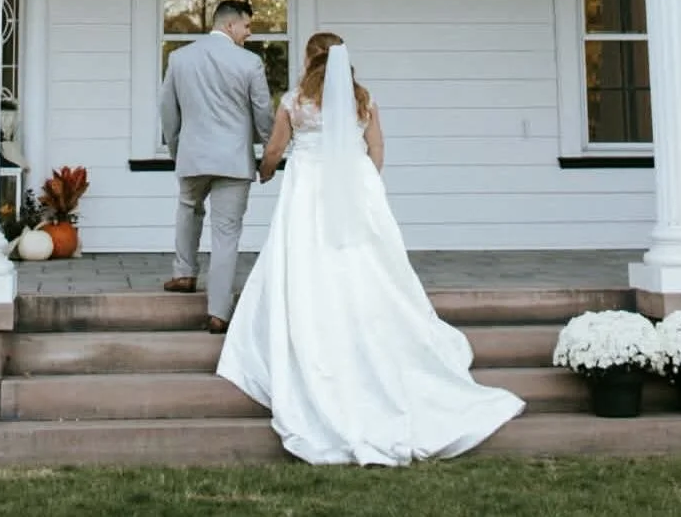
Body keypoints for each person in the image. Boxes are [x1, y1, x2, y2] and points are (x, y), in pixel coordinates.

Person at [216, 31, 524, 466]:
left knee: (307, 259)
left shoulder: (295, 101)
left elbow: (275, 149)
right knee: (367, 262)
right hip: (356, 188)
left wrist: (265, 172)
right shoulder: (364, 98)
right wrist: (362, 181)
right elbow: (376, 147)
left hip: (307, 190)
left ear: (309, 58)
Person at [159, 0, 274, 334]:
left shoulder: (180, 58)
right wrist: (268, 153)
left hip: (193, 153)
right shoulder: (250, 63)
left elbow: (168, 109)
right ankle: (218, 312)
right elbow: (263, 113)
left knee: (187, 209)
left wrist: (177, 148)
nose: (249, 34)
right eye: (247, 26)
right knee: (226, 234)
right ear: (229, 25)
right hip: (234, 159)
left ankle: (184, 272)